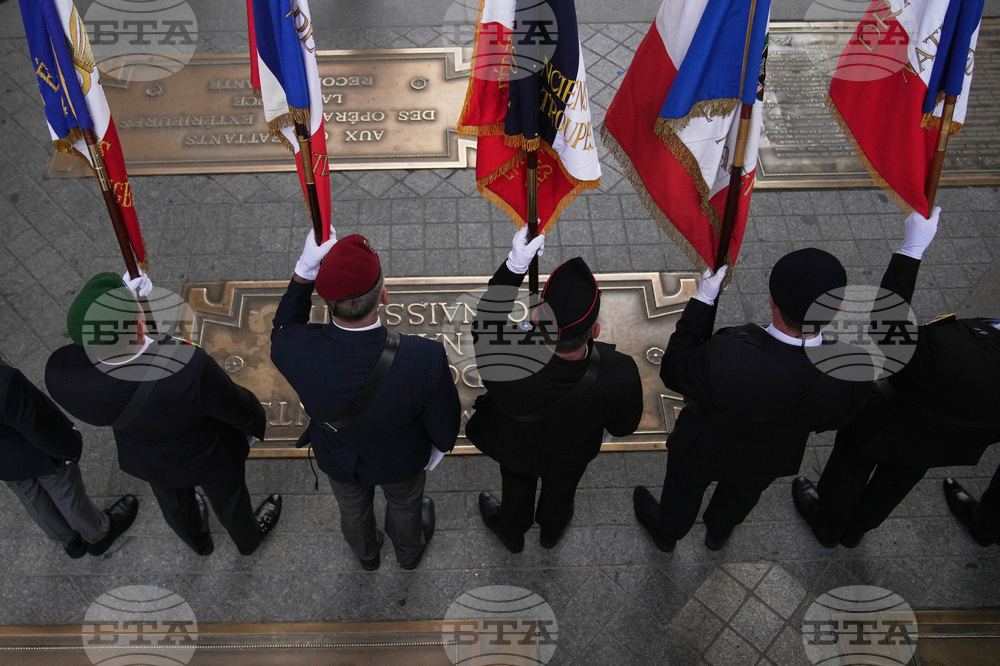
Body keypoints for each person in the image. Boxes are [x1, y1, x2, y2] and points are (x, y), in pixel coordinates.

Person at [634, 248, 872, 552]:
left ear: (772, 301)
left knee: (683, 488)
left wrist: (703, 300)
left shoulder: (727, 352)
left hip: (703, 446)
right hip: (770, 457)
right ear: (837, 308)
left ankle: (667, 534)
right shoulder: (851, 369)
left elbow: (673, 370)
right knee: (742, 495)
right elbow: (835, 420)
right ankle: (718, 534)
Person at [792, 207, 1000, 547]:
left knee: (852, 463)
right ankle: (858, 528)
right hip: (948, 442)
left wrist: (911, 250)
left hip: (889, 418)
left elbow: (888, 332)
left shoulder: (957, 353)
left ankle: (829, 523)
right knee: (899, 479)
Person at [46, 271, 279, 557]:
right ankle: (248, 540)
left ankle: (200, 544)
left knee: (176, 507)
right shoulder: (190, 368)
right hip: (208, 454)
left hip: (148, 457)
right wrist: (256, 423)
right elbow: (235, 405)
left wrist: (122, 300)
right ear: (141, 327)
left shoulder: (61, 374)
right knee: (231, 502)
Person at [271, 230, 460, 570]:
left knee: (352, 508)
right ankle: (408, 553)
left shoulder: (293, 350)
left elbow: (284, 324)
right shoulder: (424, 357)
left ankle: (367, 555)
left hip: (339, 458)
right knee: (405, 505)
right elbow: (445, 428)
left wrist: (305, 268)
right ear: (383, 295)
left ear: (326, 303)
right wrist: (432, 452)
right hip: (401, 461)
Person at [466, 227, 644, 552]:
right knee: (561, 489)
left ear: (536, 317)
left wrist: (516, 265)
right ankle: (551, 531)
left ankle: (513, 532)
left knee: (516, 483)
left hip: (514, 447)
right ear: (596, 330)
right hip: (570, 456)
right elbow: (624, 427)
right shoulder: (620, 372)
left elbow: (486, 318)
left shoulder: (503, 356)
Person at [1, 353, 136, 558]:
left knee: (30, 494)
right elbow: (39, 424)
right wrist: (69, 449)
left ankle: (69, 541)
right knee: (64, 489)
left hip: (5, 461)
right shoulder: (5, 380)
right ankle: (98, 535)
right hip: (35, 449)